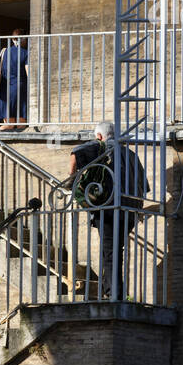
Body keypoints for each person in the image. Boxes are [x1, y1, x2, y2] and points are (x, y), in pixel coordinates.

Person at [69, 121, 149, 301]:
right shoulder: (131, 155)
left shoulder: (100, 147)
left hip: (109, 210)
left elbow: (76, 153)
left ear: (99, 136)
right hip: (129, 211)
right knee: (113, 251)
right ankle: (108, 288)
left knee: (110, 252)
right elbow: (143, 186)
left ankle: (115, 295)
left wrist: (71, 181)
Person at [0, 28, 29, 131]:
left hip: (5, 87)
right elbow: (29, 72)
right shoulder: (26, 53)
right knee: (21, 125)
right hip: (20, 87)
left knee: (8, 124)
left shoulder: (4, 52)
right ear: (24, 39)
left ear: (12, 39)